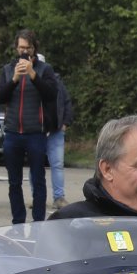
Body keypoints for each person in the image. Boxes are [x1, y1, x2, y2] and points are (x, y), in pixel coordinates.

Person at [0, 28, 59, 223]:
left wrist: (33, 75)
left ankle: (38, 220)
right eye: (21, 47)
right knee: (14, 181)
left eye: (28, 48)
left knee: (38, 179)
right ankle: (18, 220)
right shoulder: (8, 69)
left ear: (34, 48)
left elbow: (51, 94)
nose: (24, 51)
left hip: (35, 133)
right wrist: (14, 79)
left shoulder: (44, 69)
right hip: (13, 132)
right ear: (16, 48)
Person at [47, 68, 74, 209]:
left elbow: (67, 102)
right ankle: (36, 197)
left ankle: (59, 197)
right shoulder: (29, 83)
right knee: (35, 165)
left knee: (57, 164)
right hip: (36, 131)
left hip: (56, 130)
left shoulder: (58, 83)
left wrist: (65, 123)